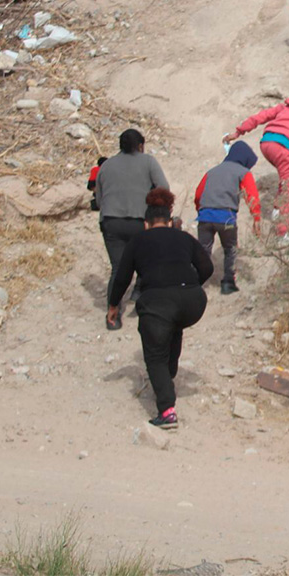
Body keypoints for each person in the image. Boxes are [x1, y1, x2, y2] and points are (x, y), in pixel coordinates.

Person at [108, 188, 213, 429]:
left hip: (158, 300)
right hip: (192, 301)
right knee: (173, 327)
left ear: (146, 224)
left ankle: (166, 411)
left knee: (154, 355)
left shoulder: (138, 241)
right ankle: (168, 377)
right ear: (169, 221)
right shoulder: (184, 237)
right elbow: (207, 266)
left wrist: (114, 305)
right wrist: (193, 284)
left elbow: (123, 277)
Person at [222, 85, 289, 237]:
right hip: (283, 148)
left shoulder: (285, 107)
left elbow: (260, 117)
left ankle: (277, 210)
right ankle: (283, 232)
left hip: (267, 143)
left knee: (286, 179)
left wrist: (238, 132)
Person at [96, 129, 169, 325]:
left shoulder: (106, 165)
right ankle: (141, 296)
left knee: (118, 268)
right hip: (139, 221)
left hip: (111, 221)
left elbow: (98, 198)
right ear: (140, 146)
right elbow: (163, 189)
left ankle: (113, 313)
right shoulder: (148, 162)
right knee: (147, 263)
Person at [193, 140, 262, 294]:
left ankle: (197, 283)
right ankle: (228, 283)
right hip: (226, 218)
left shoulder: (212, 171)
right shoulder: (243, 172)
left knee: (203, 251)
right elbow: (252, 197)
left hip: (205, 217)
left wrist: (201, 210)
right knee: (230, 249)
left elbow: (198, 194)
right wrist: (256, 219)